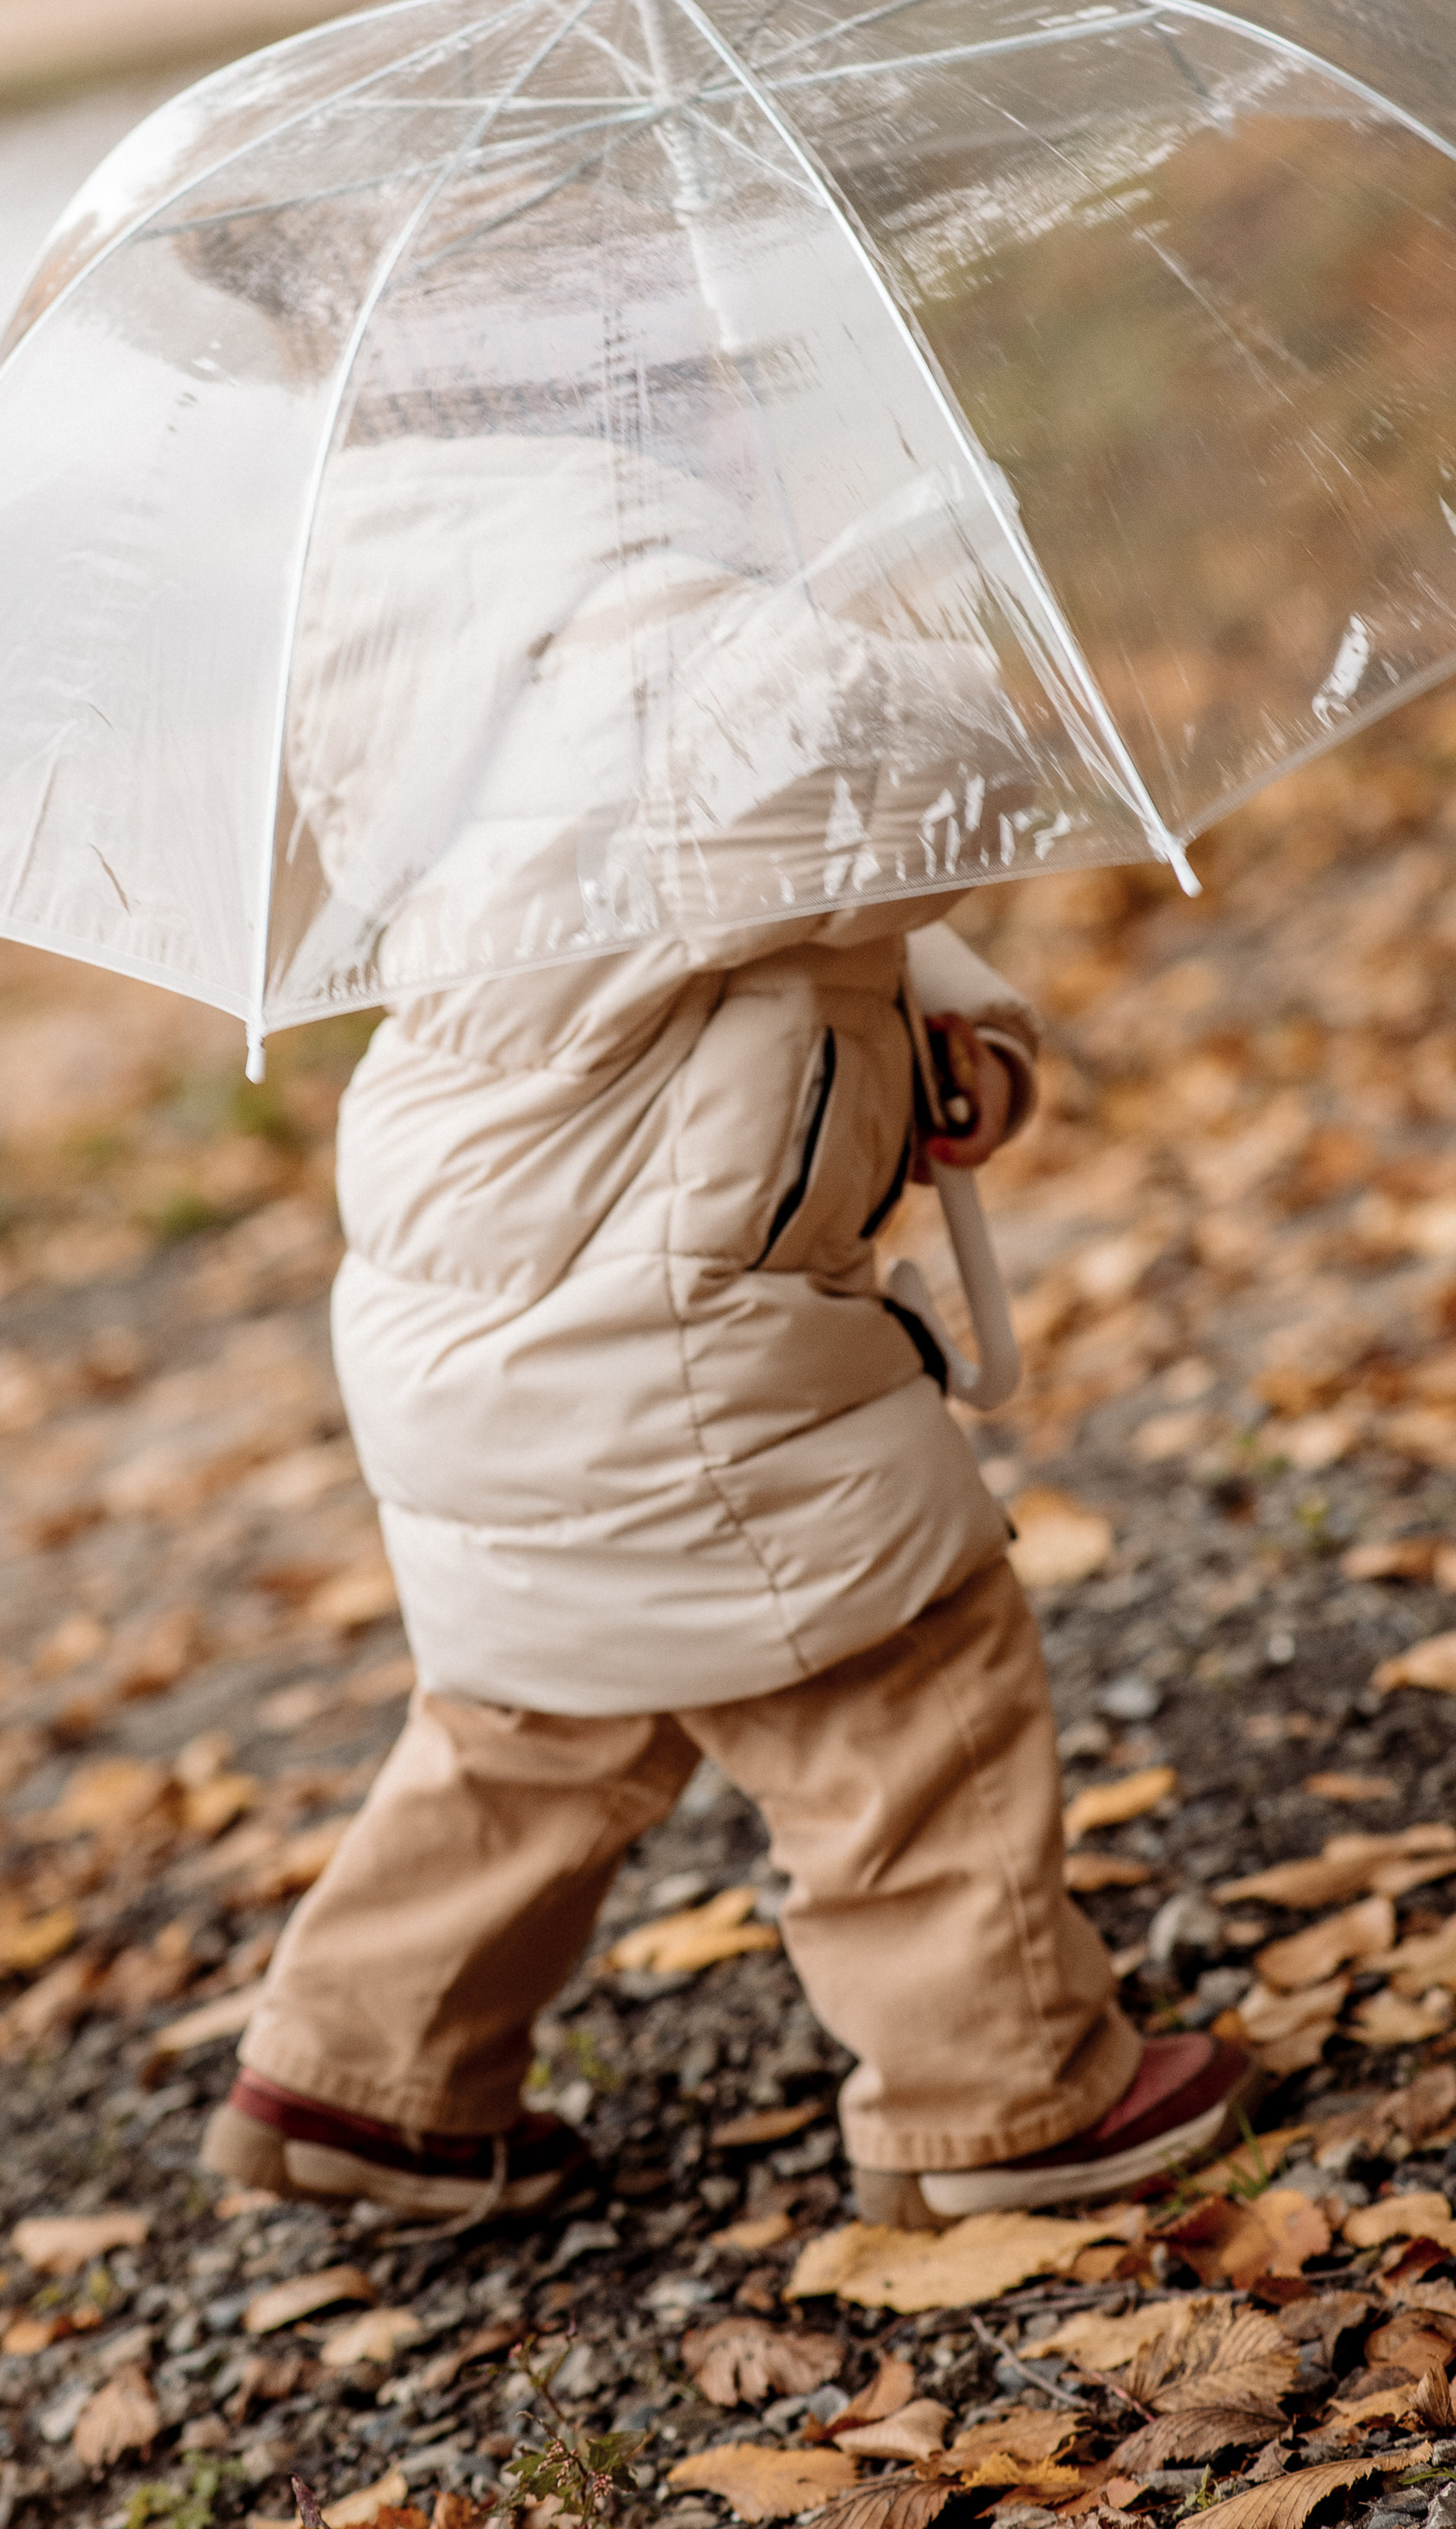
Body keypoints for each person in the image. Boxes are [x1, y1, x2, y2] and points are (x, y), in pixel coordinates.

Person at [198, 433, 1252, 2230]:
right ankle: (1001, 2096)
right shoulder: (651, 625)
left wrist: (945, 1033)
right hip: (666, 1361)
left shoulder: (445, 637)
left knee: (537, 1721)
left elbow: (725, 933)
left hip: (501, 1325)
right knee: (897, 1681)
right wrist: (895, 574)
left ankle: (359, 2077)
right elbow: (927, 778)